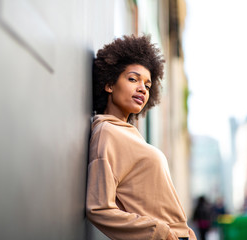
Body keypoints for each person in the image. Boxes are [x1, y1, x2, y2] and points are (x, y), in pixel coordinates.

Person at [86, 34, 197, 240]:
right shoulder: (107, 132)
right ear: (109, 84)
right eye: (133, 79)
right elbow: (98, 208)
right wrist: (161, 233)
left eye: (147, 85)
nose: (142, 89)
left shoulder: (129, 134)